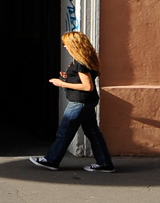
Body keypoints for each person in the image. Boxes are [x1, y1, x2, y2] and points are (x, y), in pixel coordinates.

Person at [30, 30, 115, 173]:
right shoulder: (86, 60)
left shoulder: (80, 63)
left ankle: (51, 160)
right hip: (87, 101)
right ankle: (105, 163)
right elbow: (82, 80)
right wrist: (67, 77)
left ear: (74, 44)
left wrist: (61, 83)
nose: (64, 47)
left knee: (65, 131)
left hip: (79, 102)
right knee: (93, 132)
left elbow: (87, 86)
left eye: (66, 44)